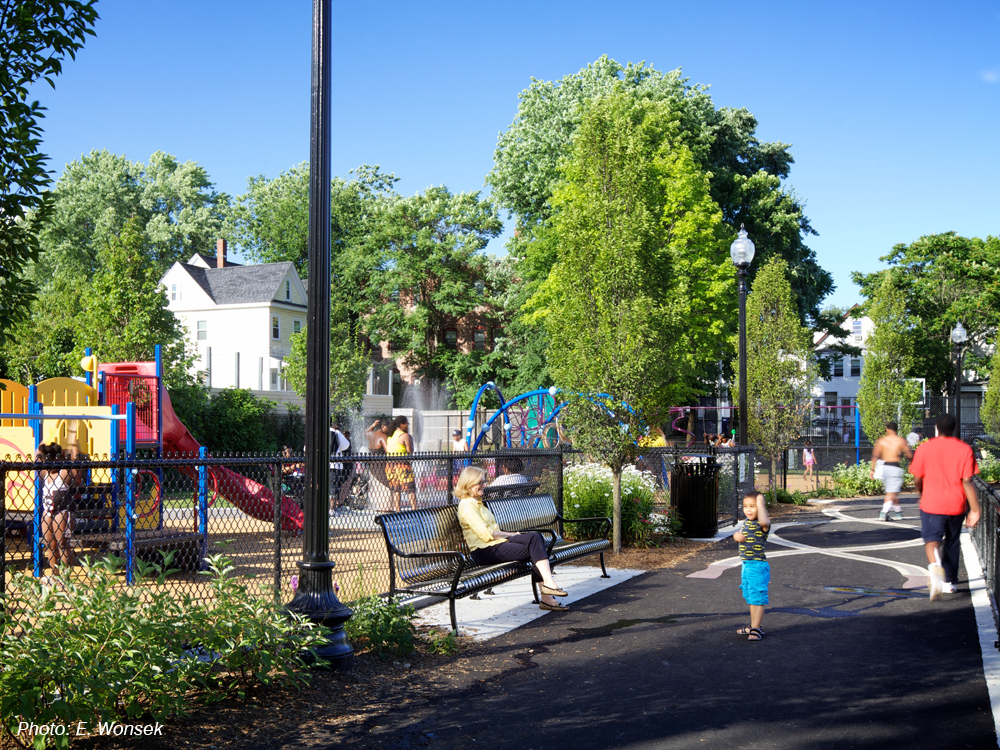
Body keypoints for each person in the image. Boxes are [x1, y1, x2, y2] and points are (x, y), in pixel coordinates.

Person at [455, 466, 569, 612]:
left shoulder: (477, 502)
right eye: (480, 483)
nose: (484, 485)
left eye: (484, 482)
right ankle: (547, 594)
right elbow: (486, 533)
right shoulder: (467, 505)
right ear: (468, 484)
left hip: (495, 545)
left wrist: (510, 535)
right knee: (535, 551)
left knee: (535, 537)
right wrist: (511, 534)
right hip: (484, 551)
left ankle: (548, 584)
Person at [909, 413, 980, 600]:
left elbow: (917, 477)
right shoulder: (964, 449)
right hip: (956, 503)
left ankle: (934, 567)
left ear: (936, 428)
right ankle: (949, 582)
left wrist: (921, 492)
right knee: (952, 541)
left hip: (931, 502)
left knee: (932, 538)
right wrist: (975, 509)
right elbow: (967, 480)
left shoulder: (925, 448)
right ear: (954, 429)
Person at [38, 441, 81, 578]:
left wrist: (74, 443)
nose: (49, 465)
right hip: (48, 510)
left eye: (52, 461)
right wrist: (44, 438)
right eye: (47, 461)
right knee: (50, 544)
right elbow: (37, 454)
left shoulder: (64, 473)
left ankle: (66, 576)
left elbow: (76, 462)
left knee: (62, 543)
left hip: (62, 511)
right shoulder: (46, 473)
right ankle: (54, 575)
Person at [732, 491, 771, 641]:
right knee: (751, 597)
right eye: (745, 506)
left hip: (757, 566)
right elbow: (738, 534)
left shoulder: (763, 523)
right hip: (747, 565)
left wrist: (760, 505)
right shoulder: (747, 523)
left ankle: (756, 629)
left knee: (758, 598)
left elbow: (764, 522)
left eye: (752, 506)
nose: (748, 510)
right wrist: (736, 536)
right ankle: (754, 625)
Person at [870, 421, 913, 521]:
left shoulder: (882, 441)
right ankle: (884, 512)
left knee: (891, 490)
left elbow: (875, 456)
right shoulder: (900, 441)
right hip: (894, 466)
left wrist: (872, 469)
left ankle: (898, 511)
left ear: (887, 429)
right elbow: (909, 455)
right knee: (891, 492)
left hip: (885, 467)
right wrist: (911, 463)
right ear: (896, 429)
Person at [386, 415, 416, 511]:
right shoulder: (404, 436)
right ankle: (415, 511)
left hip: (390, 465)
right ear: (401, 424)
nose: (407, 425)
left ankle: (397, 511)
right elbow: (410, 451)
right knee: (410, 490)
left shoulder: (390, 435)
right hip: (402, 465)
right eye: (406, 423)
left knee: (396, 490)